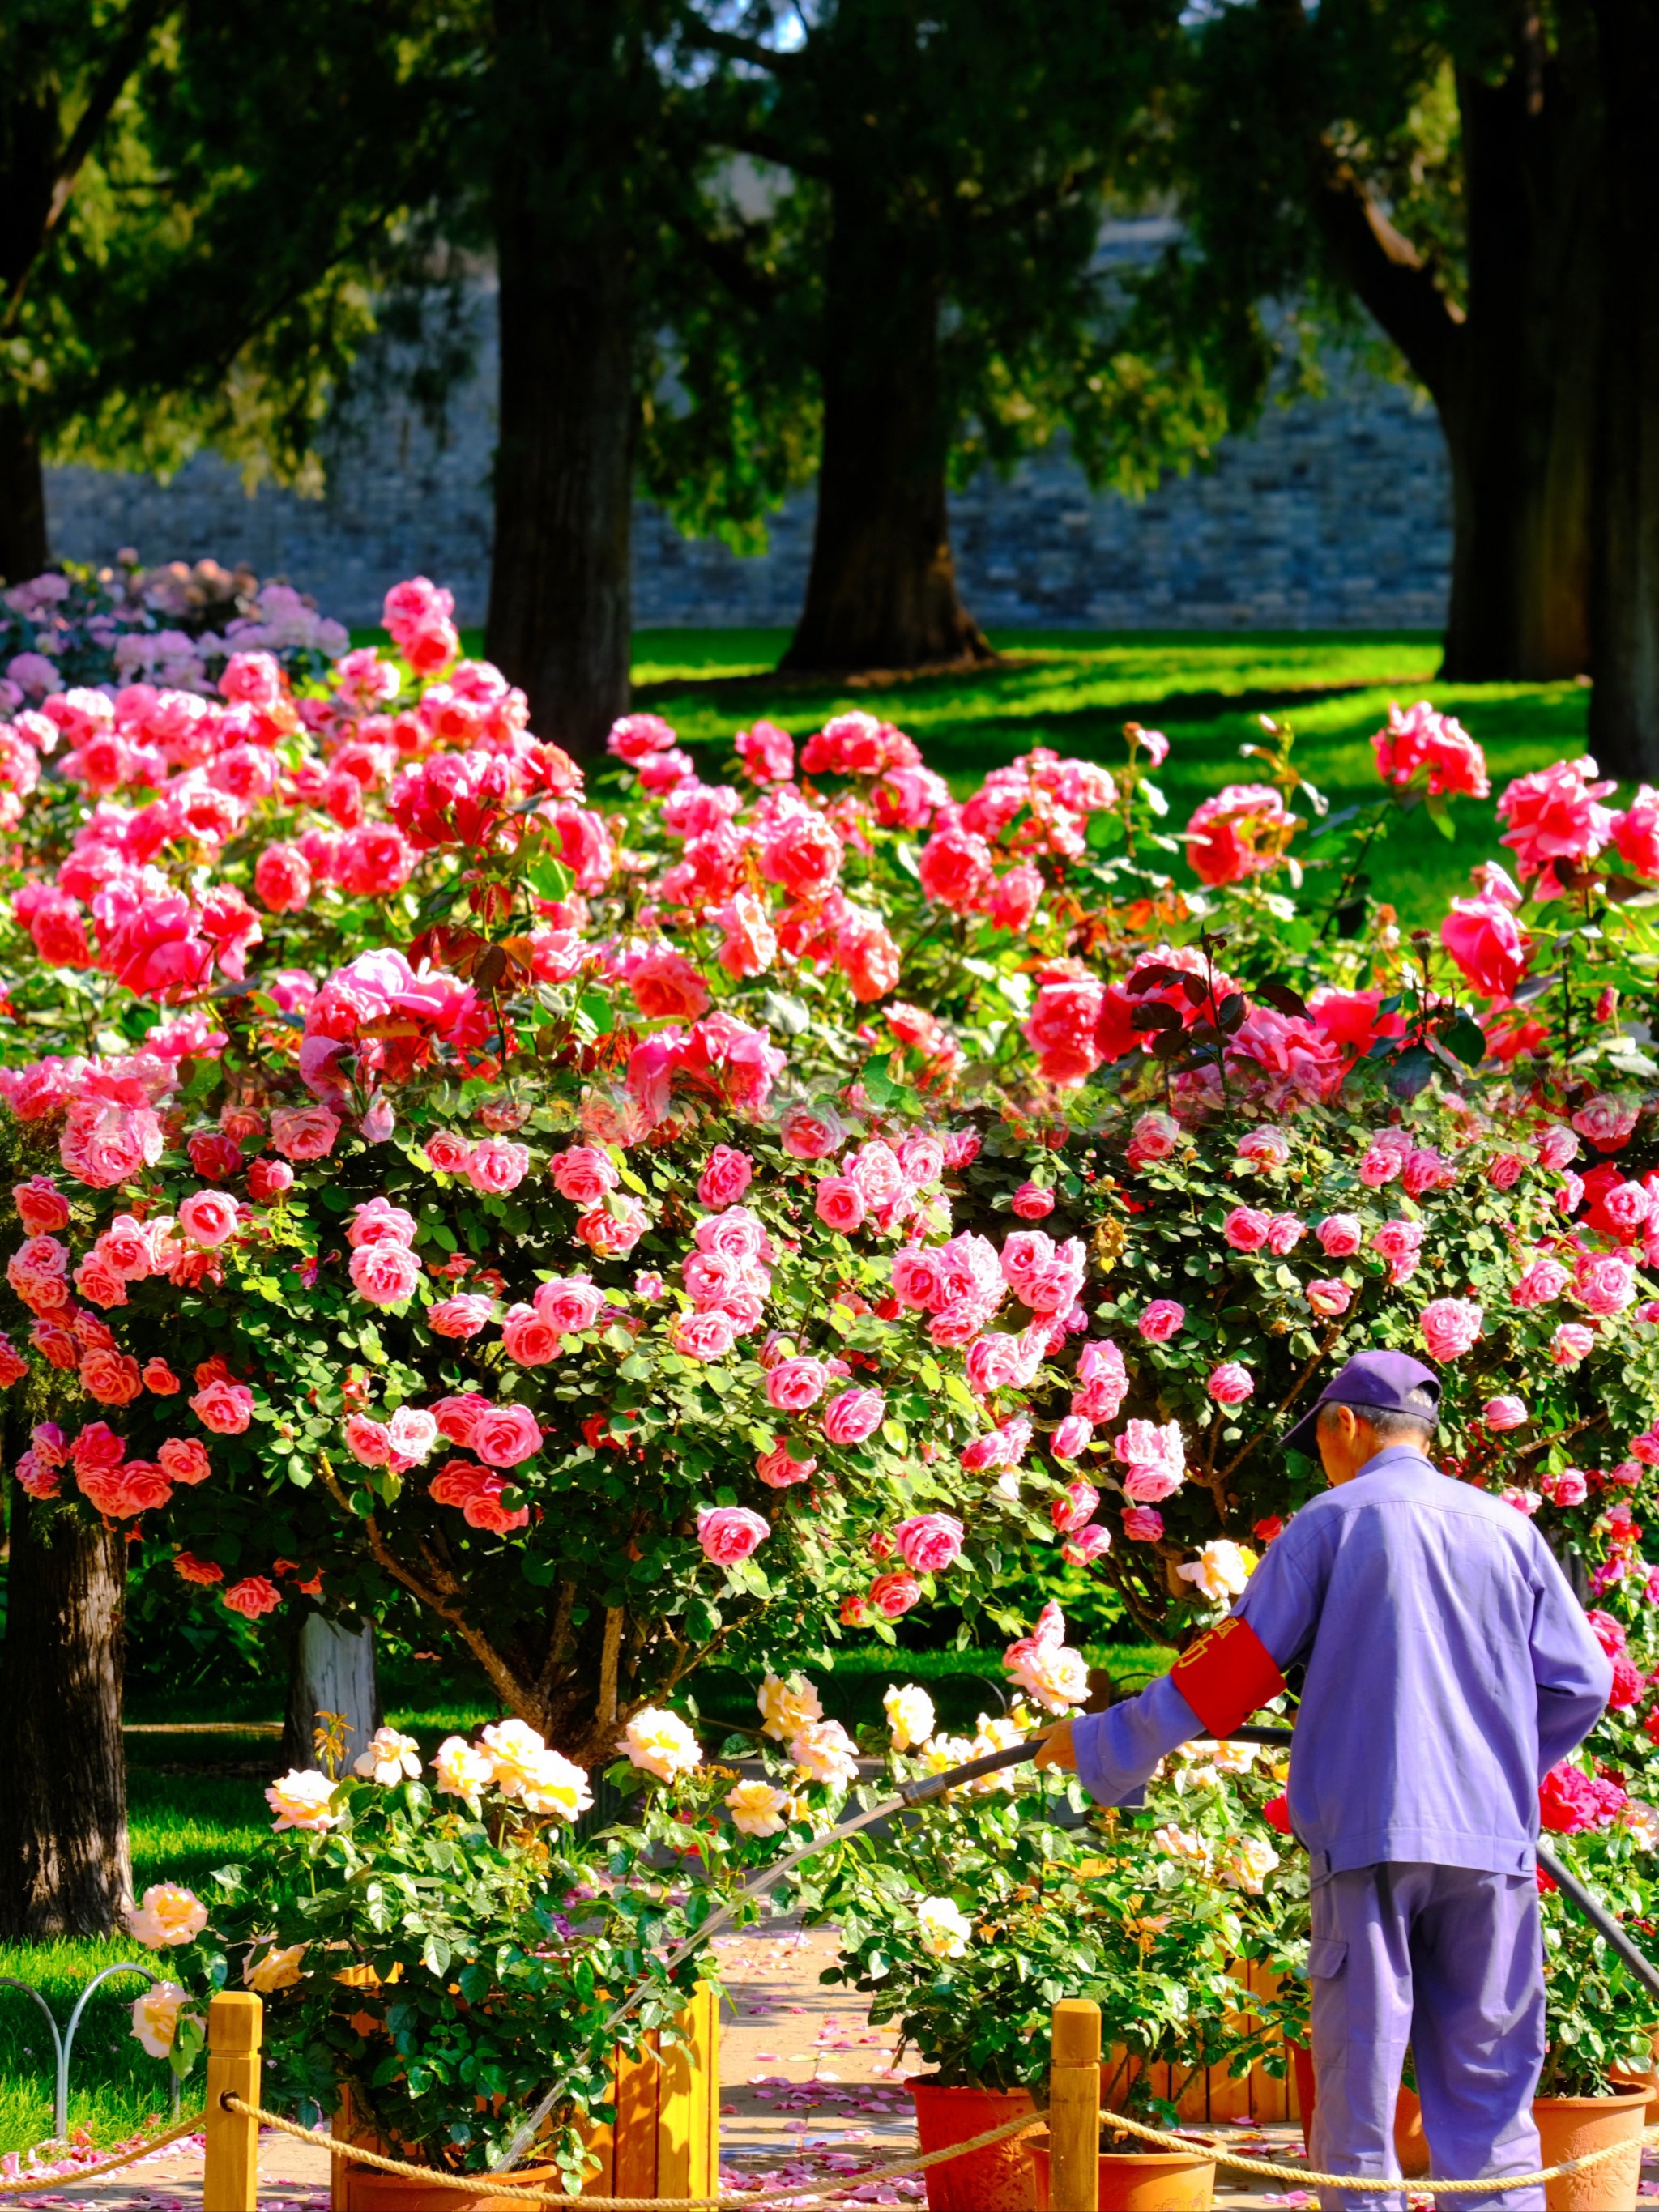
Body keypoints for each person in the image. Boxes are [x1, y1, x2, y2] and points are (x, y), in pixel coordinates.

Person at [1036, 1349, 1612, 2212]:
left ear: (1345, 1424)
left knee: (1359, 2096)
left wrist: (1095, 1743)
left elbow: (1226, 1676)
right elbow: (1583, 1683)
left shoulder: (1332, 1521)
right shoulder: (1506, 1528)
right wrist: (1494, 1770)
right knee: (1491, 2095)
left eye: (1321, 1440)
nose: (1321, 1457)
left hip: (1369, 1838)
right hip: (1488, 1841)